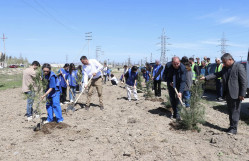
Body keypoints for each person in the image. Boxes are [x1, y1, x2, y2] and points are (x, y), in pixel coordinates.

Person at [201, 53, 247, 135]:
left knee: (235, 111)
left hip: (236, 94)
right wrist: (206, 78)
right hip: (228, 93)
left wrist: (242, 94)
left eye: (224, 62)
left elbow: (244, 81)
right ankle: (231, 127)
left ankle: (234, 129)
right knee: (230, 111)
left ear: (230, 59)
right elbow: (217, 74)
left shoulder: (239, 67)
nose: (223, 64)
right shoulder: (225, 68)